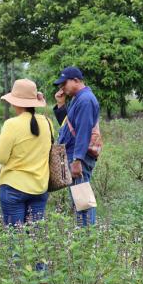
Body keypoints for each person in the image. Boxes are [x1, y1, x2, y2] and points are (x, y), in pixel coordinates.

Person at [0, 79, 52, 226]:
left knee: (15, 239)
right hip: (40, 186)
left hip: (14, 187)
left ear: (15, 102)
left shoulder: (11, 124)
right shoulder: (47, 122)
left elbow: (0, 157)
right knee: (36, 239)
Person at [54, 66, 100, 227]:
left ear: (76, 80)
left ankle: (87, 238)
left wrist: (77, 160)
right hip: (74, 154)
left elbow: (83, 131)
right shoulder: (77, 98)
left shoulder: (85, 100)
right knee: (79, 198)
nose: (62, 88)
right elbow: (68, 125)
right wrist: (61, 105)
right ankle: (85, 233)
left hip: (78, 156)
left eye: (64, 83)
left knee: (82, 200)